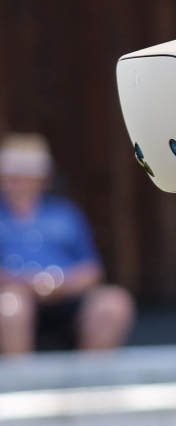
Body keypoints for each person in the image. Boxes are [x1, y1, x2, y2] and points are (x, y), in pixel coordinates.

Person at [0, 133, 135, 355]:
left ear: (43, 177)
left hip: (69, 302)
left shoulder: (66, 214)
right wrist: (25, 284)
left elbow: (92, 270)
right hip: (13, 303)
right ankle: (19, 376)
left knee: (114, 302)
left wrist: (57, 285)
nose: (18, 181)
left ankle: (91, 376)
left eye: (26, 174)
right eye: (13, 175)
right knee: (11, 306)